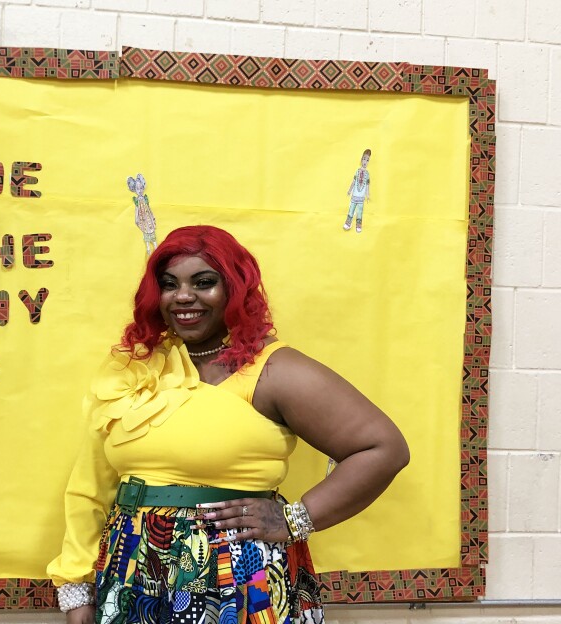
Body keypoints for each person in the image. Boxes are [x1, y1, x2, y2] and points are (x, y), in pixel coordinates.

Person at [47, 225, 408, 624]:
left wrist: (295, 519)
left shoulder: (274, 370)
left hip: (235, 572)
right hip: (132, 570)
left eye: (204, 282)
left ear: (234, 290)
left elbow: (383, 448)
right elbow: (89, 486)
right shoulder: (133, 368)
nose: (184, 296)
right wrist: (75, 585)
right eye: (169, 284)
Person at [343, 149, 371, 234]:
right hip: (355, 194)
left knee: (360, 211)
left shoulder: (367, 173)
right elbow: (353, 181)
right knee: (351, 209)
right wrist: (349, 190)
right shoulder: (357, 171)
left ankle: (358, 225)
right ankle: (348, 223)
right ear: (361, 159)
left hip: (361, 197)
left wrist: (368, 194)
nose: (365, 162)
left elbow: (367, 185)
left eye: (367, 160)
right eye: (364, 159)